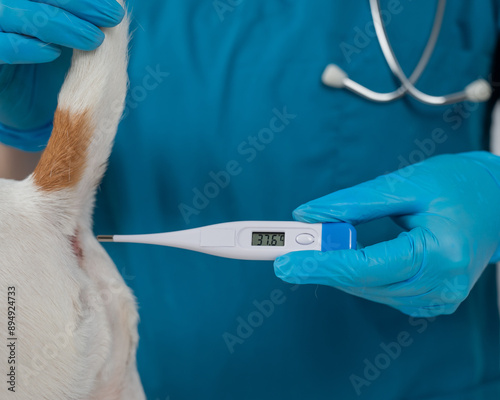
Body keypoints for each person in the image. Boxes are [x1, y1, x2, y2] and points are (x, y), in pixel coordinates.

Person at [1, 1, 500, 398]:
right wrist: (18, 119)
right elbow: (31, 215)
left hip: (418, 378)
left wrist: (492, 200)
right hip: (131, 371)